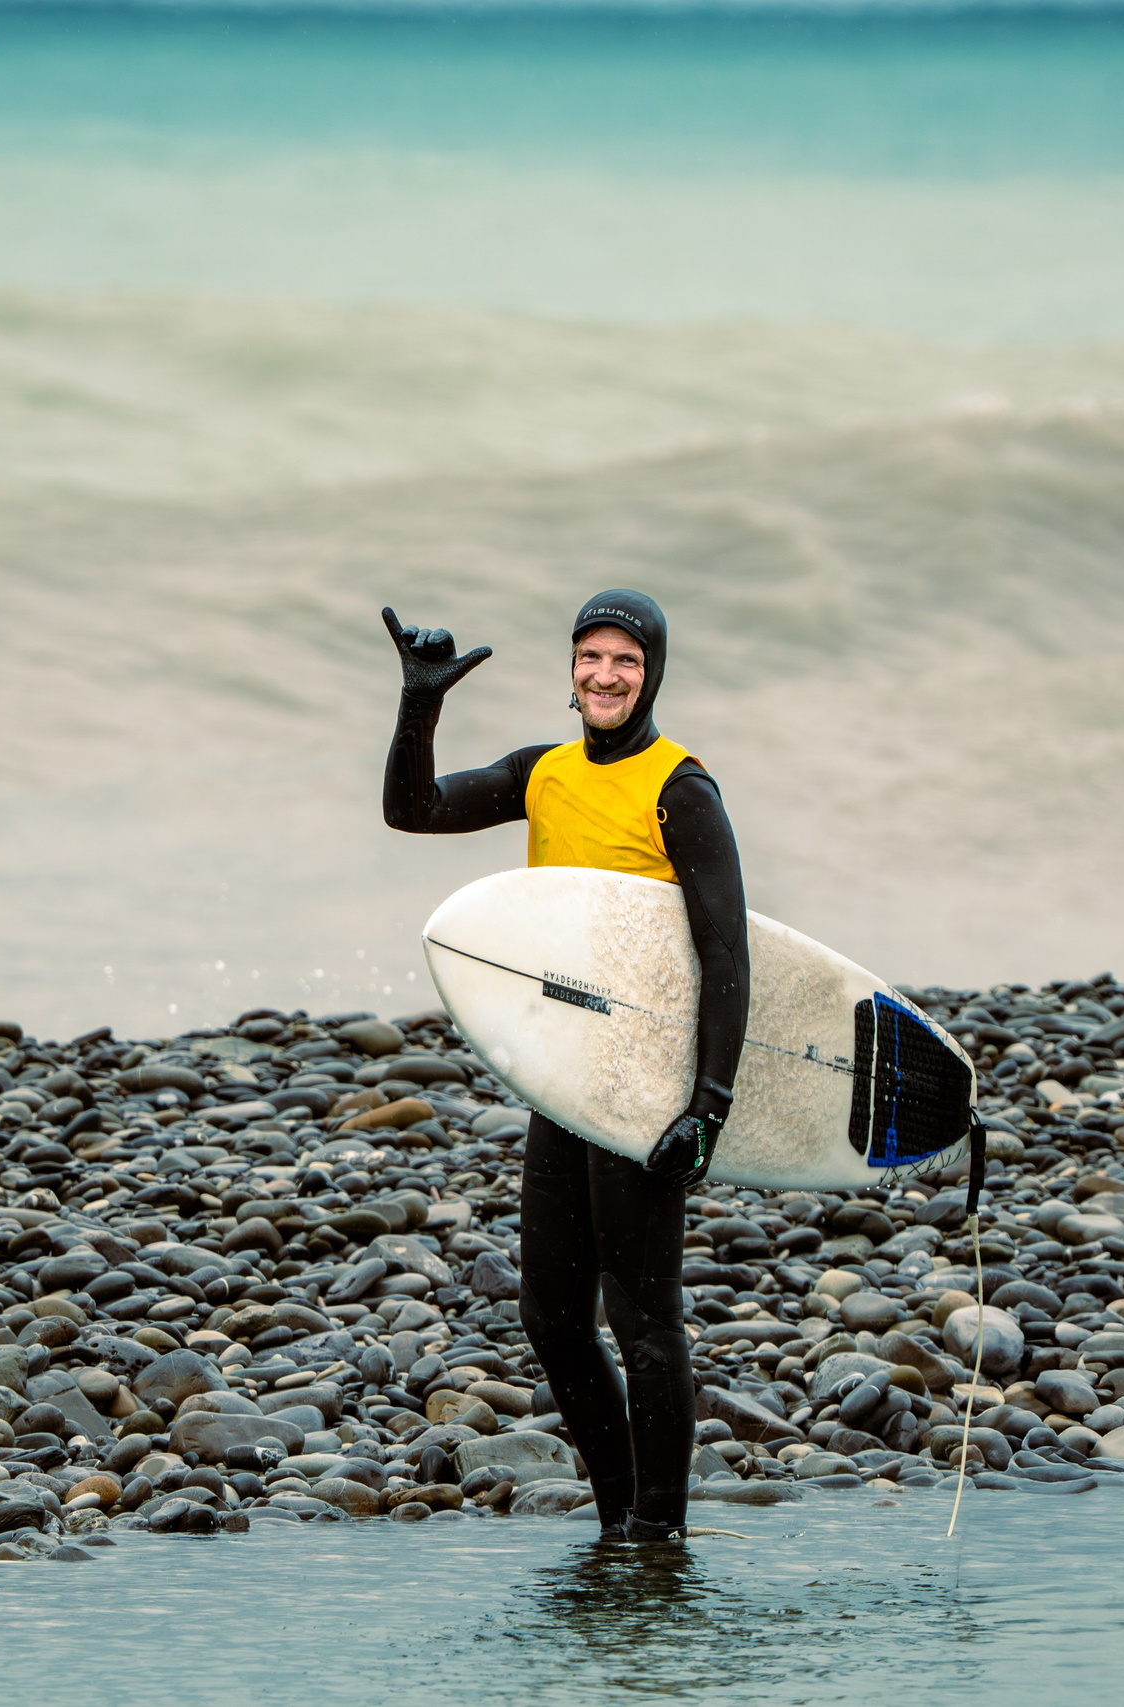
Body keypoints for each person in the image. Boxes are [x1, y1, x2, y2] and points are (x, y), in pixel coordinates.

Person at [379, 590, 749, 1544]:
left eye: (626, 659)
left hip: (639, 1077)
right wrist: (421, 701)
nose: (605, 675)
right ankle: (619, 1516)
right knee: (549, 1313)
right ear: (571, 669)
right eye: (591, 656)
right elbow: (412, 810)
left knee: (643, 1316)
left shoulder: (680, 789)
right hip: (561, 1074)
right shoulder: (544, 773)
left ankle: (659, 1533)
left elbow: (726, 955)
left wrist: (708, 1104)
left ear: (651, 673)